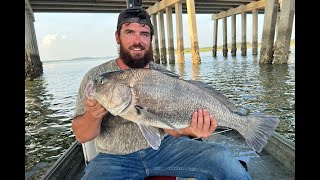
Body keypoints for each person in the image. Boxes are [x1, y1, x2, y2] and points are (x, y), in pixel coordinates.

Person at [71, 7, 252, 180]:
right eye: (129, 32)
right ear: (117, 37)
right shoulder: (95, 77)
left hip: (166, 149)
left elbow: (168, 128)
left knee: (224, 162)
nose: (137, 40)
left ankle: (244, 125)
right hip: (113, 158)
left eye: (144, 34)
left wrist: (192, 129)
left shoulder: (163, 76)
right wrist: (92, 115)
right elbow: (82, 136)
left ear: (150, 39)